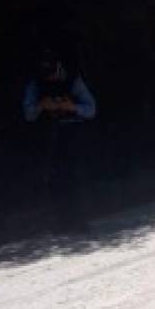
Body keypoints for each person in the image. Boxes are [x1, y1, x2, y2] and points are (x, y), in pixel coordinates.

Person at [23, 48, 97, 229]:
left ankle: (78, 219)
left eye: (52, 73)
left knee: (74, 175)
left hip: (72, 130)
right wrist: (41, 106)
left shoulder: (73, 80)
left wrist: (72, 107)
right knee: (54, 177)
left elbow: (91, 109)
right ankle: (59, 221)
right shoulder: (36, 84)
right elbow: (28, 114)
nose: (50, 78)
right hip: (48, 134)